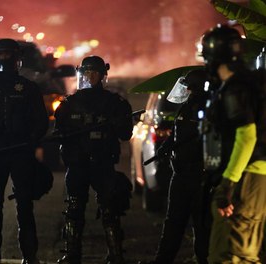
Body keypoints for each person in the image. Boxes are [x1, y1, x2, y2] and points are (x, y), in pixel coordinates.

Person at [0, 38, 49, 264]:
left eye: (7, 54)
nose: (3, 59)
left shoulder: (29, 88)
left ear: (16, 57)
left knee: (24, 203)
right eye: (0, 55)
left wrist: (31, 141)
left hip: (21, 152)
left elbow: (41, 121)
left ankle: (29, 254)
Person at [54, 55, 133, 264]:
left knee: (110, 209)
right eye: (86, 73)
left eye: (94, 73)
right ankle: (72, 254)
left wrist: (116, 123)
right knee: (73, 209)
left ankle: (116, 254)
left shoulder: (114, 103)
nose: (90, 77)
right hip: (77, 164)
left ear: (102, 76)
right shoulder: (70, 103)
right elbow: (58, 132)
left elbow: (126, 133)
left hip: (103, 162)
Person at [201, 24, 266, 263]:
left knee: (231, 254)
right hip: (256, 177)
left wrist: (228, 183)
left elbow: (246, 135)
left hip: (245, 178)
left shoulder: (235, 89)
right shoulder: (252, 83)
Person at [139, 69, 211, 264]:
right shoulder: (186, 107)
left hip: (199, 176)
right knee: (173, 223)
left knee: (201, 225)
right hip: (179, 175)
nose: (184, 90)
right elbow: (177, 135)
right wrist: (165, 147)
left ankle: (201, 259)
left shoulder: (208, 110)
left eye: (188, 86)